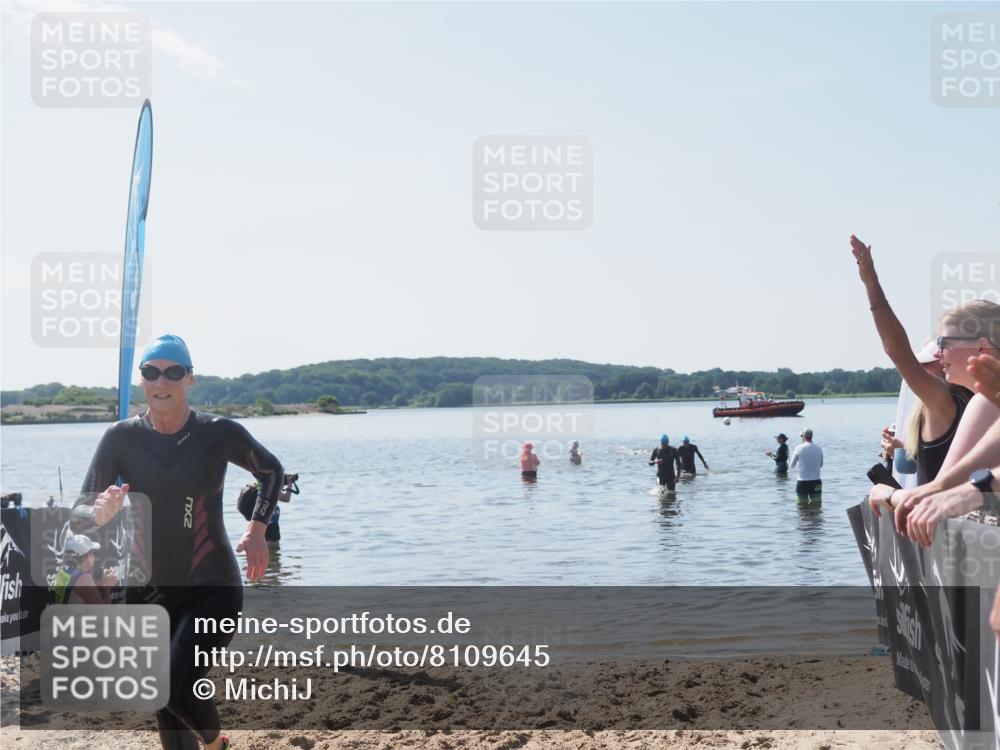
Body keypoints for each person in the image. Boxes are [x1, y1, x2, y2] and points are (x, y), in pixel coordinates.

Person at [70, 334, 284, 750]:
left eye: (173, 372)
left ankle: (216, 745)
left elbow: (271, 472)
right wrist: (98, 513)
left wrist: (257, 529)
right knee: (162, 698)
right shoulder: (121, 438)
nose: (161, 381)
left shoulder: (217, 433)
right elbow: (79, 514)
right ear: (142, 379)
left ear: (190, 379)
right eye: (151, 372)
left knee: (173, 683)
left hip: (211, 587)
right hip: (144, 590)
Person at [852, 236, 999, 490]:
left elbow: (898, 352)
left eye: (944, 343)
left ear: (981, 346)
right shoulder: (972, 402)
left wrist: (871, 283)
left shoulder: (955, 402)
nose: (938, 355)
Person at [50, 534, 118, 605]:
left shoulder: (63, 571)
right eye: (92, 553)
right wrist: (107, 588)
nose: (94, 557)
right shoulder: (84, 578)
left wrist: (98, 586)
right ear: (87, 557)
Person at [790, 429, 823, 502]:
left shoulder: (798, 448)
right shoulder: (819, 448)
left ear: (804, 436)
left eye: (801, 436)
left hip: (802, 482)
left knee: (801, 506)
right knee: (816, 505)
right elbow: (820, 465)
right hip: (816, 482)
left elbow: (792, 465)